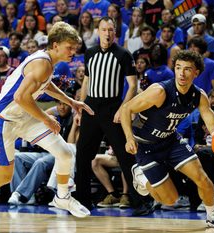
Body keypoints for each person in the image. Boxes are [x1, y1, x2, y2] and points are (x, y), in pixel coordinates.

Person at [0, 22, 94, 226]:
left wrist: (71, 101)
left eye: (75, 48)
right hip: (4, 122)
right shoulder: (42, 64)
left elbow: (46, 85)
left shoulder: (48, 63)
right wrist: (46, 118)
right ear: (55, 45)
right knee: (4, 175)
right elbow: (21, 97)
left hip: (24, 118)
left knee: (65, 153)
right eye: (70, 47)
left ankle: (62, 197)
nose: (74, 52)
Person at [120, 50, 214, 228]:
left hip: (171, 140)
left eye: (187, 69)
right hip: (146, 147)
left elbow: (212, 124)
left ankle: (212, 216)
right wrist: (128, 138)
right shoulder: (159, 91)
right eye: (178, 68)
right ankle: (142, 178)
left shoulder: (199, 96)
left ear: (196, 73)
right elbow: (126, 109)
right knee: (170, 200)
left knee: (202, 178)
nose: (181, 73)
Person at [75, 16, 147, 214]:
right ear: (98, 31)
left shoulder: (123, 54)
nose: (107, 33)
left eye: (111, 30)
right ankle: (82, 201)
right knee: (82, 156)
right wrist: (80, 108)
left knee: (126, 157)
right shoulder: (89, 53)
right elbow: (86, 83)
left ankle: (139, 201)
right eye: (104, 29)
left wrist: (122, 109)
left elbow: (133, 86)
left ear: (115, 32)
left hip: (112, 108)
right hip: (91, 107)